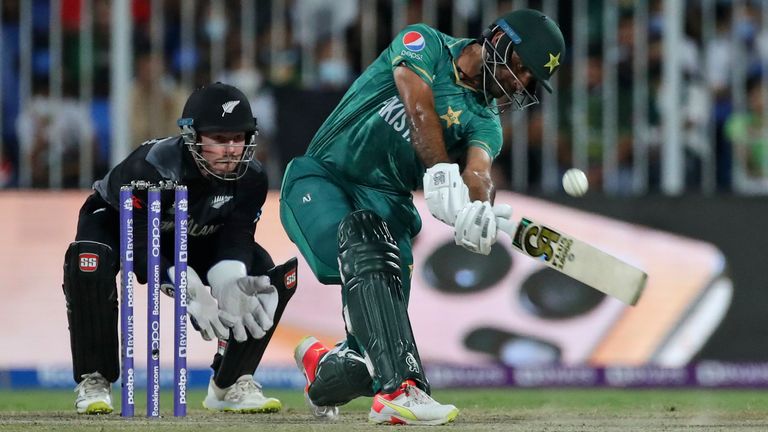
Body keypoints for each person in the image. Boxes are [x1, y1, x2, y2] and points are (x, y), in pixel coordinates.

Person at [280, 8, 564, 426]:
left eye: (528, 80)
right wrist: (439, 171)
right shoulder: (424, 43)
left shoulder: (486, 121)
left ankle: (320, 369)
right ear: (500, 42)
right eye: (520, 68)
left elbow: (479, 171)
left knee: (370, 356)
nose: (518, 83)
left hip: (389, 210)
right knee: (365, 235)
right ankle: (401, 392)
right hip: (324, 181)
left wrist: (477, 210)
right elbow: (419, 106)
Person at [63, 82, 298, 414]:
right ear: (193, 136)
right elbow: (142, 251)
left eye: (238, 138)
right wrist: (189, 290)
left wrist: (228, 281)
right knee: (90, 260)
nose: (231, 149)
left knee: (259, 277)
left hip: (194, 233)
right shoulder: (151, 169)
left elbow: (236, 238)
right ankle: (94, 379)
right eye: (219, 139)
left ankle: (230, 383)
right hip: (118, 224)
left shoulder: (251, 179)